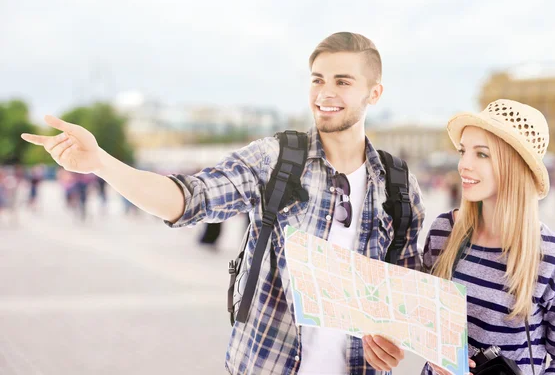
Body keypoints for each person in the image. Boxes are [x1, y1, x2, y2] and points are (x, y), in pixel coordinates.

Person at [21, 32, 426, 375]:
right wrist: (101, 163)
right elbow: (188, 198)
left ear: (374, 93)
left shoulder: (398, 185)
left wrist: (391, 336)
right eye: (318, 79)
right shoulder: (277, 159)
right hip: (266, 363)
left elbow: (404, 294)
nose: (325, 93)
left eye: (343, 81)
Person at [422, 100, 555, 375]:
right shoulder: (443, 232)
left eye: (481, 154)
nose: (463, 165)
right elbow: (424, 321)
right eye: (463, 152)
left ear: (514, 165)